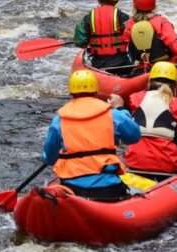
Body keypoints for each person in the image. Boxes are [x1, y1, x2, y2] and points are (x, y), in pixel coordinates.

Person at [42, 70, 141, 201]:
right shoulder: (113, 115)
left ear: (72, 93)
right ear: (96, 92)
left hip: (72, 190)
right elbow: (134, 136)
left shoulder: (59, 120)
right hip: (108, 188)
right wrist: (120, 109)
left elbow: (49, 159)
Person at [122, 0, 177, 69]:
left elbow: (127, 47)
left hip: (142, 67)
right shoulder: (161, 22)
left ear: (135, 5)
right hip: (166, 66)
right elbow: (174, 44)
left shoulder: (130, 25)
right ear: (154, 5)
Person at [73, 0, 131, 74]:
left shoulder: (89, 17)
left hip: (99, 65)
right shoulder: (122, 16)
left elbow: (80, 41)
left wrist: (90, 42)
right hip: (122, 63)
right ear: (116, 0)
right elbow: (133, 36)